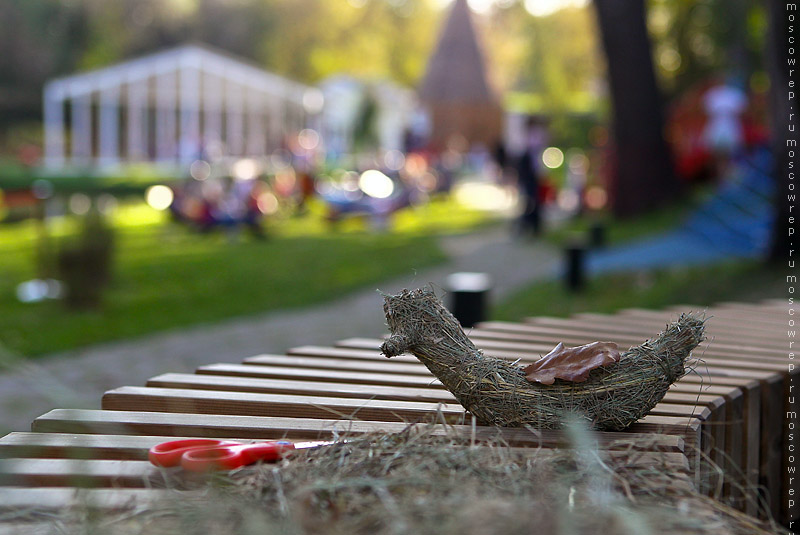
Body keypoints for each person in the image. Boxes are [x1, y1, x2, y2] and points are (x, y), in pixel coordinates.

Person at [515, 117, 547, 236]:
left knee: (532, 200)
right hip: (531, 173)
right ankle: (530, 224)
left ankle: (530, 224)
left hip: (532, 173)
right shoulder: (533, 137)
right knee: (532, 200)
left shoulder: (532, 137)